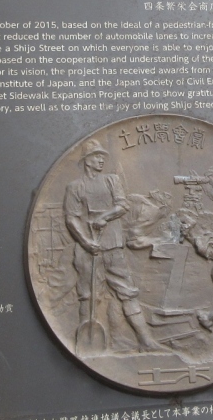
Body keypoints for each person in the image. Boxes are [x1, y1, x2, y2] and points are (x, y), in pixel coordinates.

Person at [63, 140, 163, 352]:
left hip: (113, 246)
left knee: (128, 291)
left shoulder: (111, 180)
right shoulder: (75, 187)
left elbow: (122, 205)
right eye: (96, 156)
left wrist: (105, 217)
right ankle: (86, 345)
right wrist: (86, 242)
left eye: (103, 156)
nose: (101, 159)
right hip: (87, 250)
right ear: (87, 160)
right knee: (88, 295)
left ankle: (146, 340)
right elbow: (71, 218)